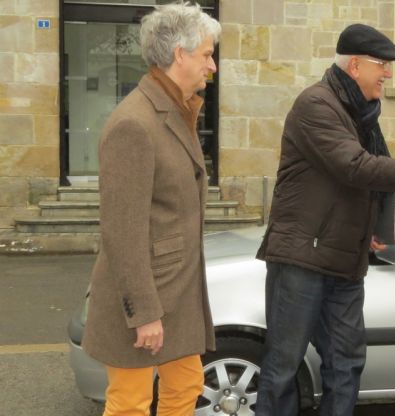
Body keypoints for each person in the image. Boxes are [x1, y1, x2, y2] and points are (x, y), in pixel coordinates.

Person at [255, 23, 395, 416]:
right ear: (355, 66)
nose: (388, 74)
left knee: (347, 362)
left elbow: (380, 174)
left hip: (344, 260)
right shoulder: (316, 105)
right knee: (283, 366)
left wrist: (379, 230)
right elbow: (356, 167)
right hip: (302, 258)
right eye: (382, 65)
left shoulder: (362, 114)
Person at [81, 3, 220, 415]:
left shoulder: (178, 109)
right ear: (180, 54)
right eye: (206, 55)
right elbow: (122, 230)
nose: (211, 66)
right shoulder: (134, 123)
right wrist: (143, 314)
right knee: (130, 405)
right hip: (145, 299)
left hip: (176, 292)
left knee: (186, 386)